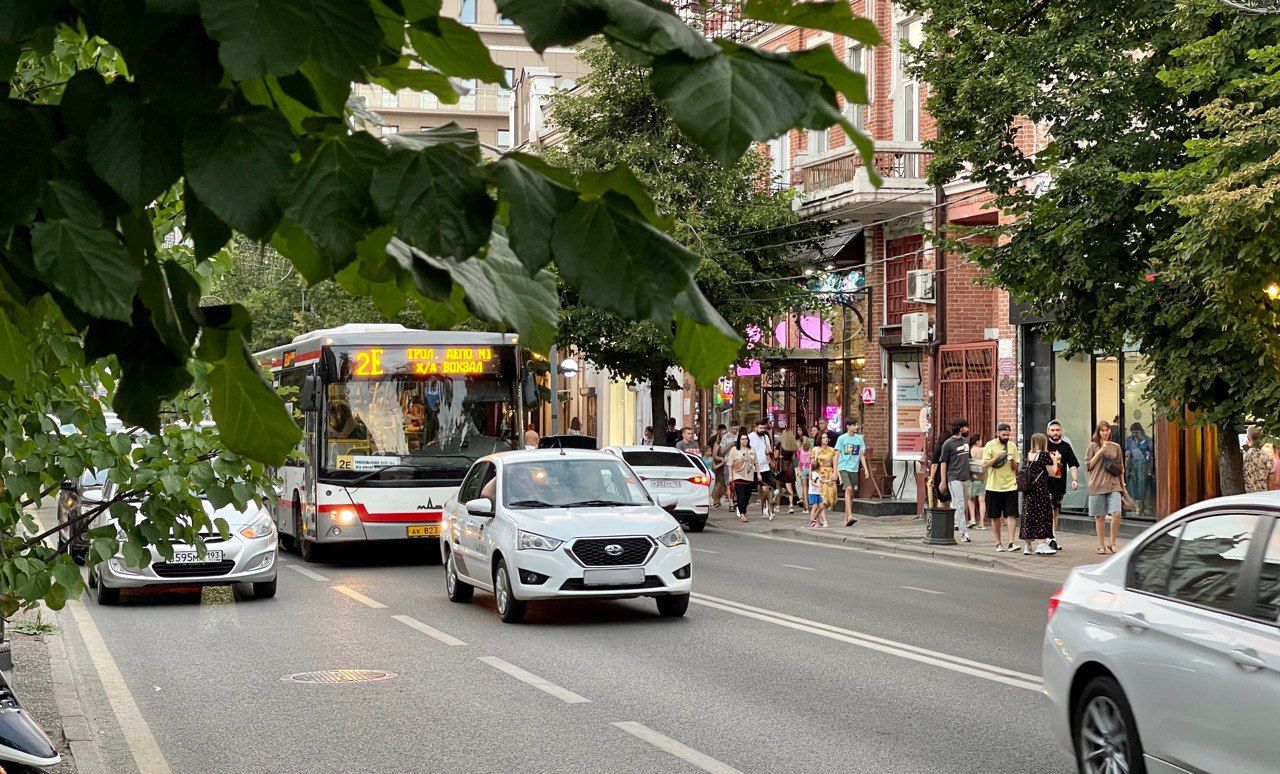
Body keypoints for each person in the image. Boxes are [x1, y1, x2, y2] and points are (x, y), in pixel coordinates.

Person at [1086, 420, 1126, 554]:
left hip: (1114, 484)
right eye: (1102, 430)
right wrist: (1100, 451)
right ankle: (1101, 545)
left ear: (1110, 431)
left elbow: (1120, 467)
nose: (1105, 432)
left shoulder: (1116, 447)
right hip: (1097, 484)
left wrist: (1123, 485)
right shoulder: (1093, 446)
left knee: (1117, 513)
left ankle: (1112, 542)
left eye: (1107, 430)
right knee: (1100, 516)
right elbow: (1088, 465)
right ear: (1098, 432)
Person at [982, 422, 1021, 552]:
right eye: (1003, 434)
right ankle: (998, 543)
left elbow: (1016, 467)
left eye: (1008, 435)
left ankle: (1011, 542)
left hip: (1010, 486)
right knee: (995, 516)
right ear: (997, 433)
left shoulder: (1012, 446)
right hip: (993, 486)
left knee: (1011, 515)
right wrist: (998, 457)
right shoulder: (990, 445)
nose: (1006, 437)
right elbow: (985, 465)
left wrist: (1012, 461)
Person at [1019, 433, 1059, 555]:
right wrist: (1055, 460)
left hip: (1028, 491)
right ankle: (1041, 544)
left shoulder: (1028, 455)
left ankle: (1028, 546)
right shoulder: (1044, 455)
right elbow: (1053, 473)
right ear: (1044, 442)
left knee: (1029, 515)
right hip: (1040, 490)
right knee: (1042, 515)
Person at [1044, 420, 1080, 551]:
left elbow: (1073, 465)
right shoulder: (1044, 446)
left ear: (1061, 431)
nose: (1055, 433)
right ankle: (1046, 539)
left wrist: (1074, 479)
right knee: (1046, 510)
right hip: (1044, 485)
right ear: (1048, 432)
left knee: (1055, 510)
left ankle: (1052, 536)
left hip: (1059, 484)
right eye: (1052, 430)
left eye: (1057, 430)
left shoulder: (1066, 447)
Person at [936, 419, 973, 543]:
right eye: (966, 427)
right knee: (960, 504)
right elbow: (943, 463)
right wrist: (943, 481)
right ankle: (964, 533)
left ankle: (957, 522)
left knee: (965, 502)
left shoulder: (966, 442)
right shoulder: (948, 443)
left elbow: (968, 460)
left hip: (966, 478)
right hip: (954, 478)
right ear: (960, 428)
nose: (968, 429)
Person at [834, 418, 866, 527]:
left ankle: (846, 517)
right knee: (848, 489)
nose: (857, 427)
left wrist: (865, 469)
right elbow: (837, 455)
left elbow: (861, 455)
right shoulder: (841, 438)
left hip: (854, 468)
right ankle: (850, 516)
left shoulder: (859, 439)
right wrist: (835, 470)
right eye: (854, 425)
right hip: (843, 467)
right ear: (848, 426)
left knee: (852, 493)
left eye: (857, 425)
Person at [726, 431, 760, 523]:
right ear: (739, 440)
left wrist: (759, 473)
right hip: (738, 475)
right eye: (743, 439)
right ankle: (742, 514)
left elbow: (756, 462)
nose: (745, 441)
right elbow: (730, 464)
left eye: (746, 439)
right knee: (741, 495)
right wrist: (730, 476)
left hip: (749, 476)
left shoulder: (752, 449)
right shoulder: (734, 450)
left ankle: (742, 509)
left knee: (747, 495)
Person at [748, 420, 777, 519]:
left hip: (765, 467)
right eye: (760, 428)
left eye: (763, 428)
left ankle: (768, 508)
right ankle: (762, 507)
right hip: (753, 468)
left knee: (767, 488)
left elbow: (767, 450)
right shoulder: (750, 437)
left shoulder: (765, 437)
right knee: (755, 489)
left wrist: (771, 461)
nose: (762, 430)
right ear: (755, 427)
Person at [1124, 423, 1153, 517]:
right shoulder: (1128, 440)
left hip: (1143, 465)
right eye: (1133, 432)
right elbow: (1125, 450)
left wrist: (1147, 454)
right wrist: (1127, 453)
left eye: (1136, 432)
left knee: (1143, 484)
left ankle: (1144, 507)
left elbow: (1152, 451)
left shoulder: (1147, 439)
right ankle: (1135, 508)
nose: (1135, 434)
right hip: (1132, 465)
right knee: (1133, 484)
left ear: (1140, 431)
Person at [776, 427, 799, 514]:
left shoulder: (779, 445)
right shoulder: (793, 446)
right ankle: (791, 506)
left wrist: (780, 457)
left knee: (778, 486)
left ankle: (777, 505)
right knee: (789, 487)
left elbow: (775, 456)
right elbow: (793, 458)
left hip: (781, 467)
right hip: (789, 467)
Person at [1243, 425, 1271, 493]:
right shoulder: (1266, 456)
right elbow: (1271, 481)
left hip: (1244, 494)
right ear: (1262, 438)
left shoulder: (1242, 456)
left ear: (1248, 438)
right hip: (1263, 495)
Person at [967, 432, 986, 530]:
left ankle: (973, 519)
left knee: (971, 499)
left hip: (972, 476)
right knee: (982, 499)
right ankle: (982, 522)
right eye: (980, 440)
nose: (982, 442)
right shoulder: (984, 450)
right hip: (982, 476)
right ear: (977, 441)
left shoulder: (970, 450)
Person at [709, 424, 728, 508]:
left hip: (727, 465)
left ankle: (720, 498)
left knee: (725, 484)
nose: (724, 435)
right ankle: (716, 500)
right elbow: (714, 455)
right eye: (723, 433)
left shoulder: (729, 443)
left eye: (725, 433)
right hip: (720, 465)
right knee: (718, 483)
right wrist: (720, 458)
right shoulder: (717, 444)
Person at [795, 427, 812, 506]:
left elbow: (798, 459)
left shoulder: (800, 450)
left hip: (803, 469)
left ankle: (806, 506)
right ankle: (811, 502)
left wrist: (799, 469)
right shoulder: (811, 450)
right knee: (810, 487)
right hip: (810, 469)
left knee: (804, 487)